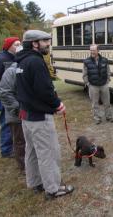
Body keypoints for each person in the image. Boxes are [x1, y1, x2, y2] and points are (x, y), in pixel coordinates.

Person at [16, 30, 74, 200]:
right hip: (39, 117)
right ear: (35, 43)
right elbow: (45, 89)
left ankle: (35, 182)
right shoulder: (35, 61)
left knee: (32, 151)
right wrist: (57, 104)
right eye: (45, 41)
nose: (49, 44)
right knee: (48, 153)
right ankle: (53, 188)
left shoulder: (21, 61)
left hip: (26, 115)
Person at [0, 37, 21, 158]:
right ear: (9, 46)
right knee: (6, 123)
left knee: (13, 123)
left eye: (19, 44)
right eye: (16, 44)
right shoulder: (2, 59)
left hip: (10, 96)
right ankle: (6, 150)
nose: (19, 46)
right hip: (4, 97)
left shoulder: (14, 57)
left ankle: (12, 148)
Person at [0, 45, 26, 172]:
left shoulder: (26, 68)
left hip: (27, 112)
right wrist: (18, 108)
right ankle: (23, 167)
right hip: (16, 114)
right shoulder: (10, 71)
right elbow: (5, 93)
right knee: (20, 141)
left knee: (28, 139)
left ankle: (30, 163)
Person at [82, 44, 113, 124]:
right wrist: (88, 83)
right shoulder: (86, 61)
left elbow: (108, 71)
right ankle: (97, 119)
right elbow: (84, 74)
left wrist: (108, 80)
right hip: (93, 86)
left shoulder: (104, 60)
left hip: (104, 85)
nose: (92, 52)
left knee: (107, 103)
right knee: (95, 104)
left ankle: (109, 117)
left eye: (93, 50)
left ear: (98, 51)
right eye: (91, 50)